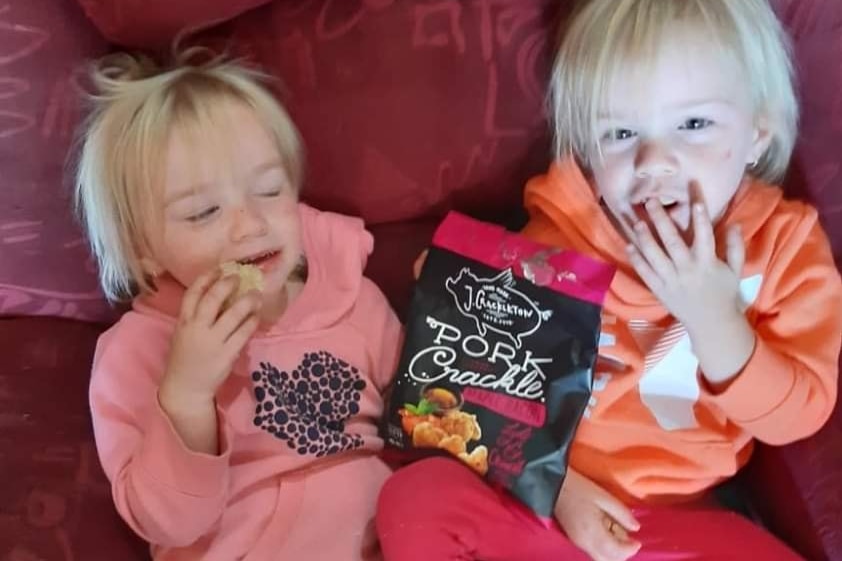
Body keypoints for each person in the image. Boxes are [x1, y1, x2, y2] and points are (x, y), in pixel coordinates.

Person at [376, 1, 842, 559]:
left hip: (683, 519)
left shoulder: (783, 245)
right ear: (588, 154)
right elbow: (471, 386)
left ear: (758, 135)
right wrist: (559, 492)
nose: (653, 160)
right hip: (546, 508)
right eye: (620, 133)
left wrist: (713, 321)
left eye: (694, 124)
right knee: (415, 500)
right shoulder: (564, 231)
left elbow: (799, 415)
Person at [76, 50, 401, 560]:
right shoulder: (137, 352)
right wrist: (185, 396)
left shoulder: (353, 299)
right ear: (143, 248)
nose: (250, 224)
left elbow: (430, 416)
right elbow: (168, 524)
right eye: (204, 211)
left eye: (270, 190)